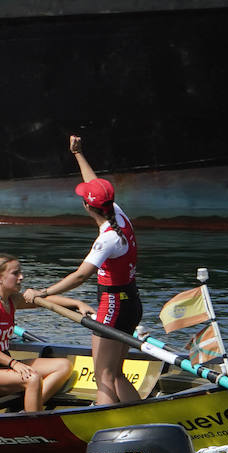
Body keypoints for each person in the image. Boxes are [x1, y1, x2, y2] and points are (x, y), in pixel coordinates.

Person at [24, 135, 143, 406]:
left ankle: (104, 423)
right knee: (116, 374)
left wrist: (43, 292)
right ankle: (140, 417)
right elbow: (95, 185)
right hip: (132, 302)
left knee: (104, 376)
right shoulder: (118, 214)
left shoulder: (106, 239)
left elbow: (80, 275)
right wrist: (78, 153)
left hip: (113, 305)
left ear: (88, 207)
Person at [0, 254, 88, 412]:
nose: (21, 277)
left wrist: (77, 303)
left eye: (20, 272)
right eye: (15, 273)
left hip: (2, 364)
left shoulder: (12, 299)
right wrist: (14, 364)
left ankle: (29, 409)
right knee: (33, 378)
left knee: (63, 366)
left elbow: (44, 302)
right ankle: (32, 418)